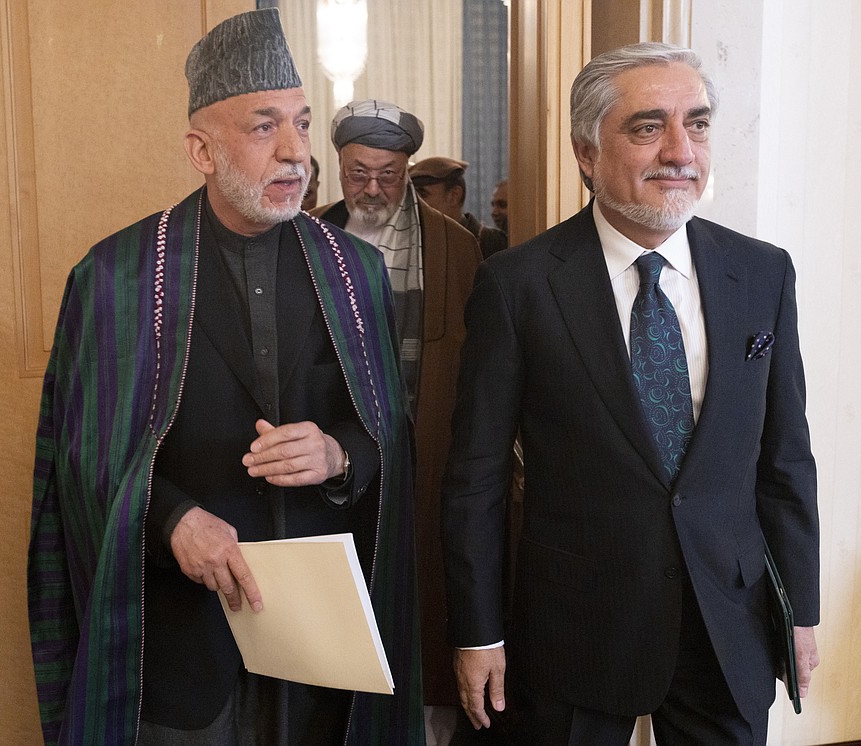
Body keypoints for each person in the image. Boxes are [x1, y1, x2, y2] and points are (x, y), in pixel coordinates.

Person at [27, 10, 423, 745]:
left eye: (302, 124)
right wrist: (172, 520)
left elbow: (388, 433)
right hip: (181, 649)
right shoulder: (117, 277)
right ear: (201, 150)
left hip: (322, 655)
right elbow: (81, 462)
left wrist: (338, 456)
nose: (295, 153)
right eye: (264, 126)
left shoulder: (354, 272)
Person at [442, 42, 820, 744]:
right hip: (576, 634)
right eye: (648, 127)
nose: (681, 150)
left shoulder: (762, 274)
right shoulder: (518, 286)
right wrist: (478, 632)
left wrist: (799, 612)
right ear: (587, 153)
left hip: (727, 627)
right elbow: (476, 480)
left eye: (698, 124)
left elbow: (786, 460)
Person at [312, 100, 482, 741]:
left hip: (426, 473)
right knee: (334, 644)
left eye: (388, 174)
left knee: (424, 636)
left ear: (407, 168)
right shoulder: (307, 240)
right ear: (338, 167)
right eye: (359, 174)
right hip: (328, 481)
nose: (374, 189)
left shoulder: (456, 249)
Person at [409, 156, 508, 258]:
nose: (415, 203)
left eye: (422, 194)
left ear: (454, 195)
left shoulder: (492, 242)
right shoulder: (416, 241)